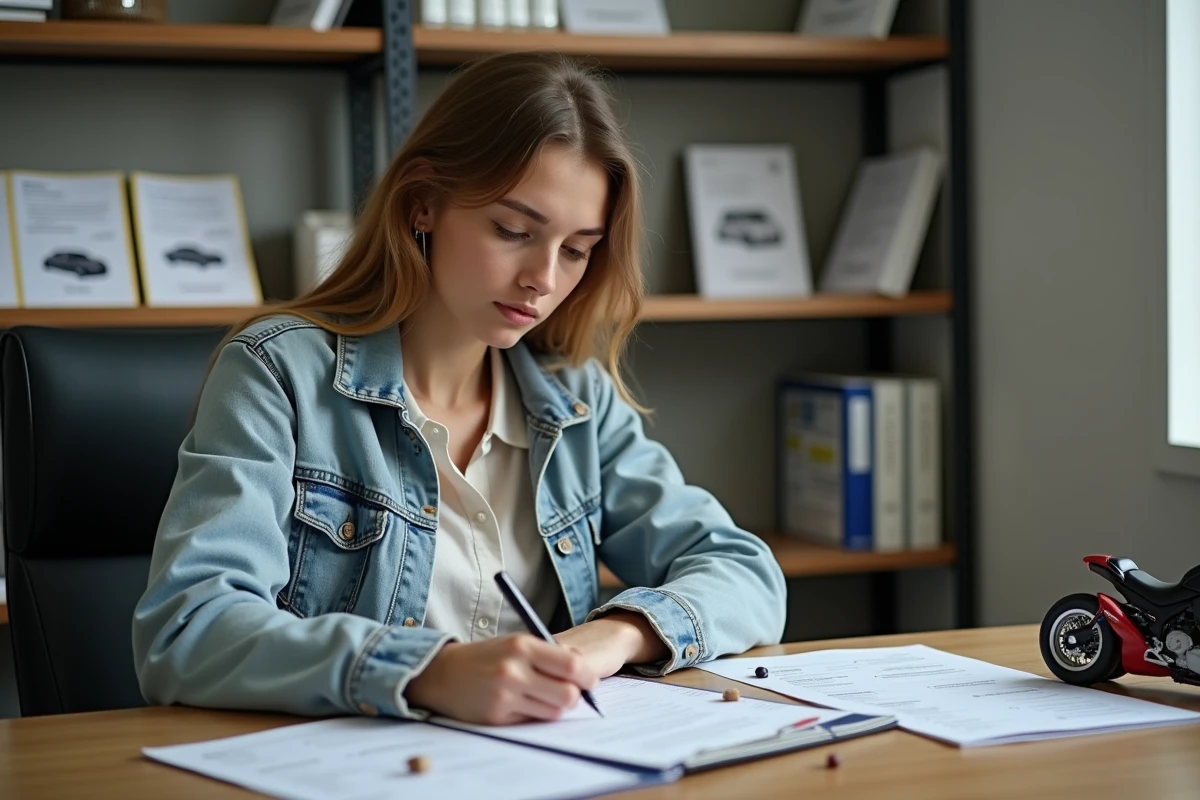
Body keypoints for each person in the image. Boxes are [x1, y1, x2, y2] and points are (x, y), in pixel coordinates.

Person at [132, 51, 787, 726]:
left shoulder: (575, 399)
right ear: (423, 204)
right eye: (513, 231)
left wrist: (616, 636)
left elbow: (745, 571)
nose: (543, 278)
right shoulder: (279, 373)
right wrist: (425, 672)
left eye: (575, 249)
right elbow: (188, 629)